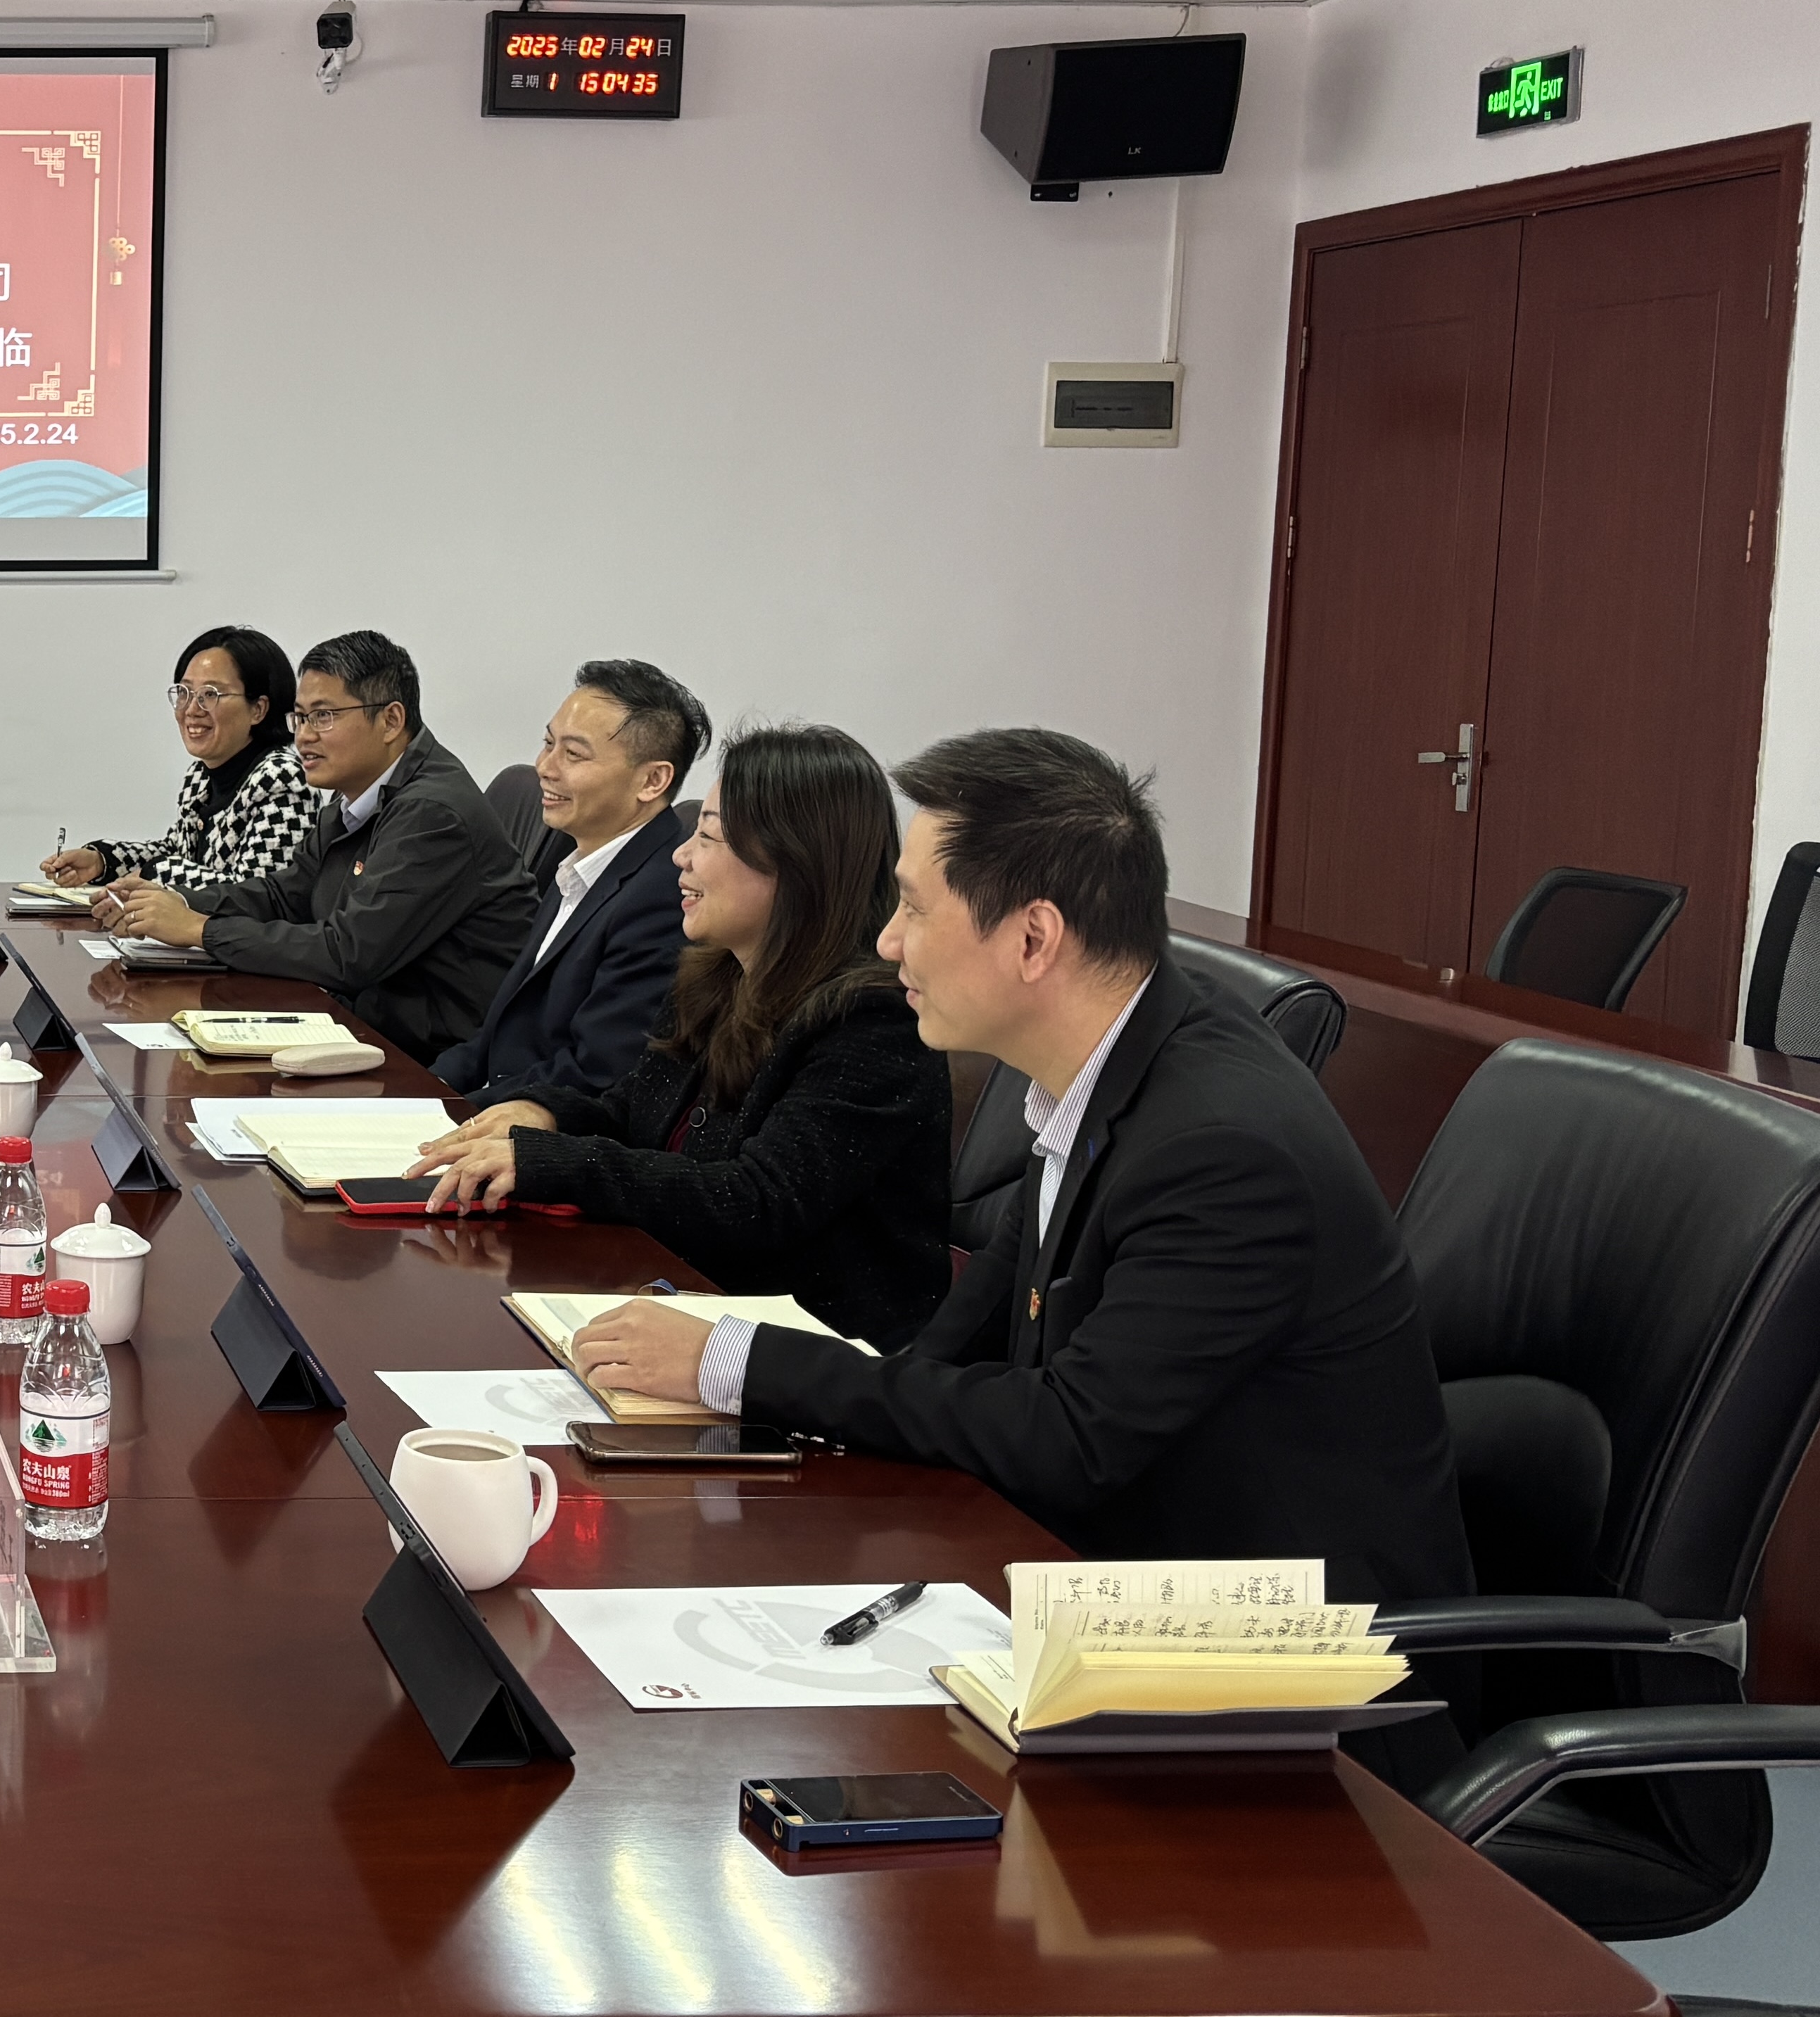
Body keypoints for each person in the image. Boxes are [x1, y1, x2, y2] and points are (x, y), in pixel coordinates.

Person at [565, 728, 1472, 1612]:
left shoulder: (1222, 1151)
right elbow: (953, 1349)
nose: (887, 942)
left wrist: (741, 1363)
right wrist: (755, 1407)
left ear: (1034, 939)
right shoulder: (1108, 1061)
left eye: (916, 910)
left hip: (1284, 1644)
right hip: (1108, 1567)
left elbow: (1070, 1437)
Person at [412, 724, 950, 1348]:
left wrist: (554, 1163)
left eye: (709, 836)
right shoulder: (718, 973)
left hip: (808, 1354)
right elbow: (631, 1112)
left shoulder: (874, 1021)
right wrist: (544, 1115)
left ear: (793, 861)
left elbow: (756, 1201)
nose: (681, 855)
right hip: (681, 1299)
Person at [91, 630, 537, 1064]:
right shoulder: (356, 797)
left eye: (323, 716)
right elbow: (285, 896)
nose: (304, 736)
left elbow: (347, 954)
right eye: (300, 718)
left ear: (391, 721)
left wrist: (200, 930)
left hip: (431, 1060)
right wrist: (174, 903)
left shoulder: (432, 814)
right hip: (362, 1023)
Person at [432, 660, 709, 1108]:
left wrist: (449, 1113)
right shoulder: (580, 863)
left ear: (652, 780)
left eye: (574, 754)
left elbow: (594, 1073)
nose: (544, 767)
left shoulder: (661, 898)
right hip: (489, 1106)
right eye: (548, 744)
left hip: (533, 1128)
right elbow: (494, 1037)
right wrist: (419, 1093)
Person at [38, 625, 324, 894]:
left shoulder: (282, 779)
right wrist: (103, 861)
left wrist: (155, 874)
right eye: (184, 693)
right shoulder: (200, 777)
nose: (191, 710)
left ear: (258, 709)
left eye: (210, 695)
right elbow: (176, 852)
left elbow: (257, 893)